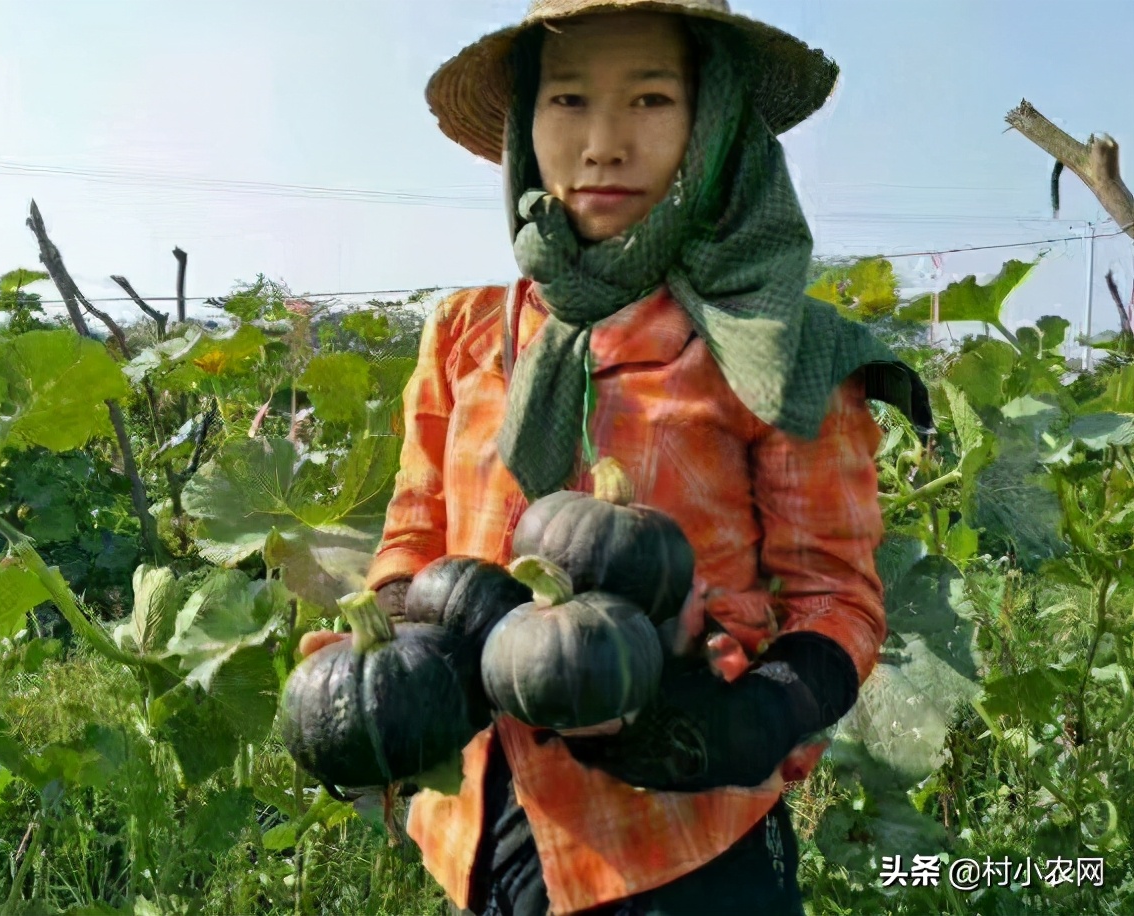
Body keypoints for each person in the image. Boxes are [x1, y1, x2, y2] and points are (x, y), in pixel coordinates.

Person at [300, 1, 933, 913]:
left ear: (709, 122)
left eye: (649, 100)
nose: (603, 143)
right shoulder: (466, 334)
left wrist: (743, 721)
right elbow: (413, 535)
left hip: (682, 846)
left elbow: (838, 598)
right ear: (526, 126)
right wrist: (385, 662)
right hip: (485, 829)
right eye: (566, 101)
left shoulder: (778, 348)